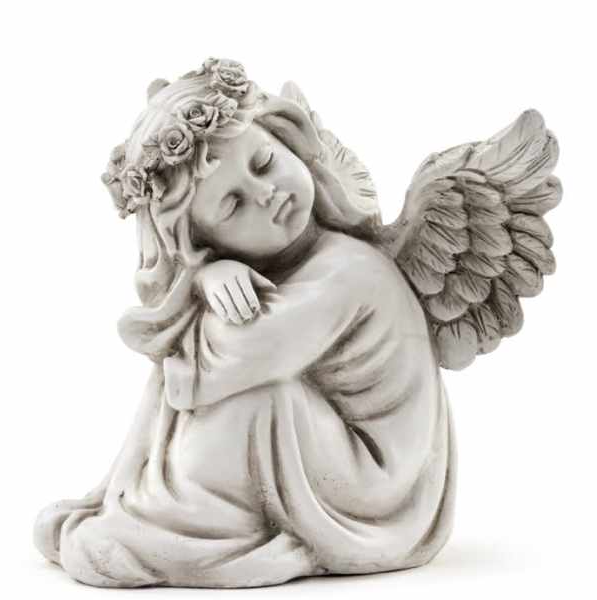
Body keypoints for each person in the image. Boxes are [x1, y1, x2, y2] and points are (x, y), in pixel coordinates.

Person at [34, 59, 454, 588]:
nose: (266, 194)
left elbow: (227, 361)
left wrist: (199, 282)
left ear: (288, 140)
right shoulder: (284, 267)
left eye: (263, 162)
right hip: (336, 455)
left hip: (378, 486)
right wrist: (205, 274)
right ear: (205, 239)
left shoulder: (349, 270)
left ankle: (185, 529)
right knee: (202, 371)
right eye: (233, 205)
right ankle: (139, 504)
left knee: (253, 394)